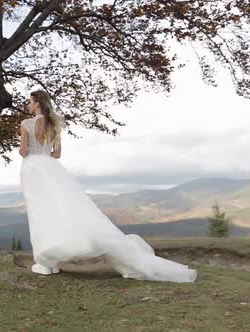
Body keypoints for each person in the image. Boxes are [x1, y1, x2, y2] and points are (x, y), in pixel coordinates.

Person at [19, 90, 197, 283]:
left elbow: (22, 151)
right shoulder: (54, 125)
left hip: (33, 168)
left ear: (37, 103)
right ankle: (50, 261)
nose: (28, 105)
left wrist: (29, 149)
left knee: (41, 213)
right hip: (52, 168)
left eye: (30, 102)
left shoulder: (26, 124)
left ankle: (47, 263)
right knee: (61, 210)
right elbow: (57, 154)